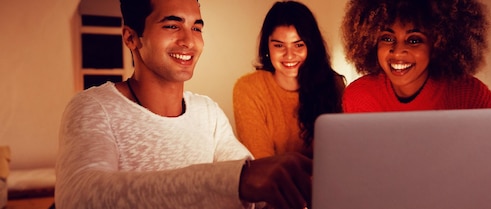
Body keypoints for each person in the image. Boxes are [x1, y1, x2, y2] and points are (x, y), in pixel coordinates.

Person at [55, 0, 311, 208]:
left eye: (197, 28)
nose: (190, 41)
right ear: (132, 38)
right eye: (172, 26)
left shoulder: (208, 113)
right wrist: (236, 180)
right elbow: (78, 198)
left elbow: (255, 189)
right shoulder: (94, 107)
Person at [340, 0, 491, 208]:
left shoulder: (468, 93)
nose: (397, 52)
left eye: (414, 40)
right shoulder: (359, 95)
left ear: (439, 44)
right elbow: (358, 176)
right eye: (387, 38)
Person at [233, 1, 345, 159]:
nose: (289, 55)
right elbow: (262, 164)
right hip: (274, 182)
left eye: (298, 45)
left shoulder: (333, 84)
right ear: (267, 47)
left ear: (311, 47)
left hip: (327, 181)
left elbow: (341, 155)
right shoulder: (249, 89)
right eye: (279, 46)